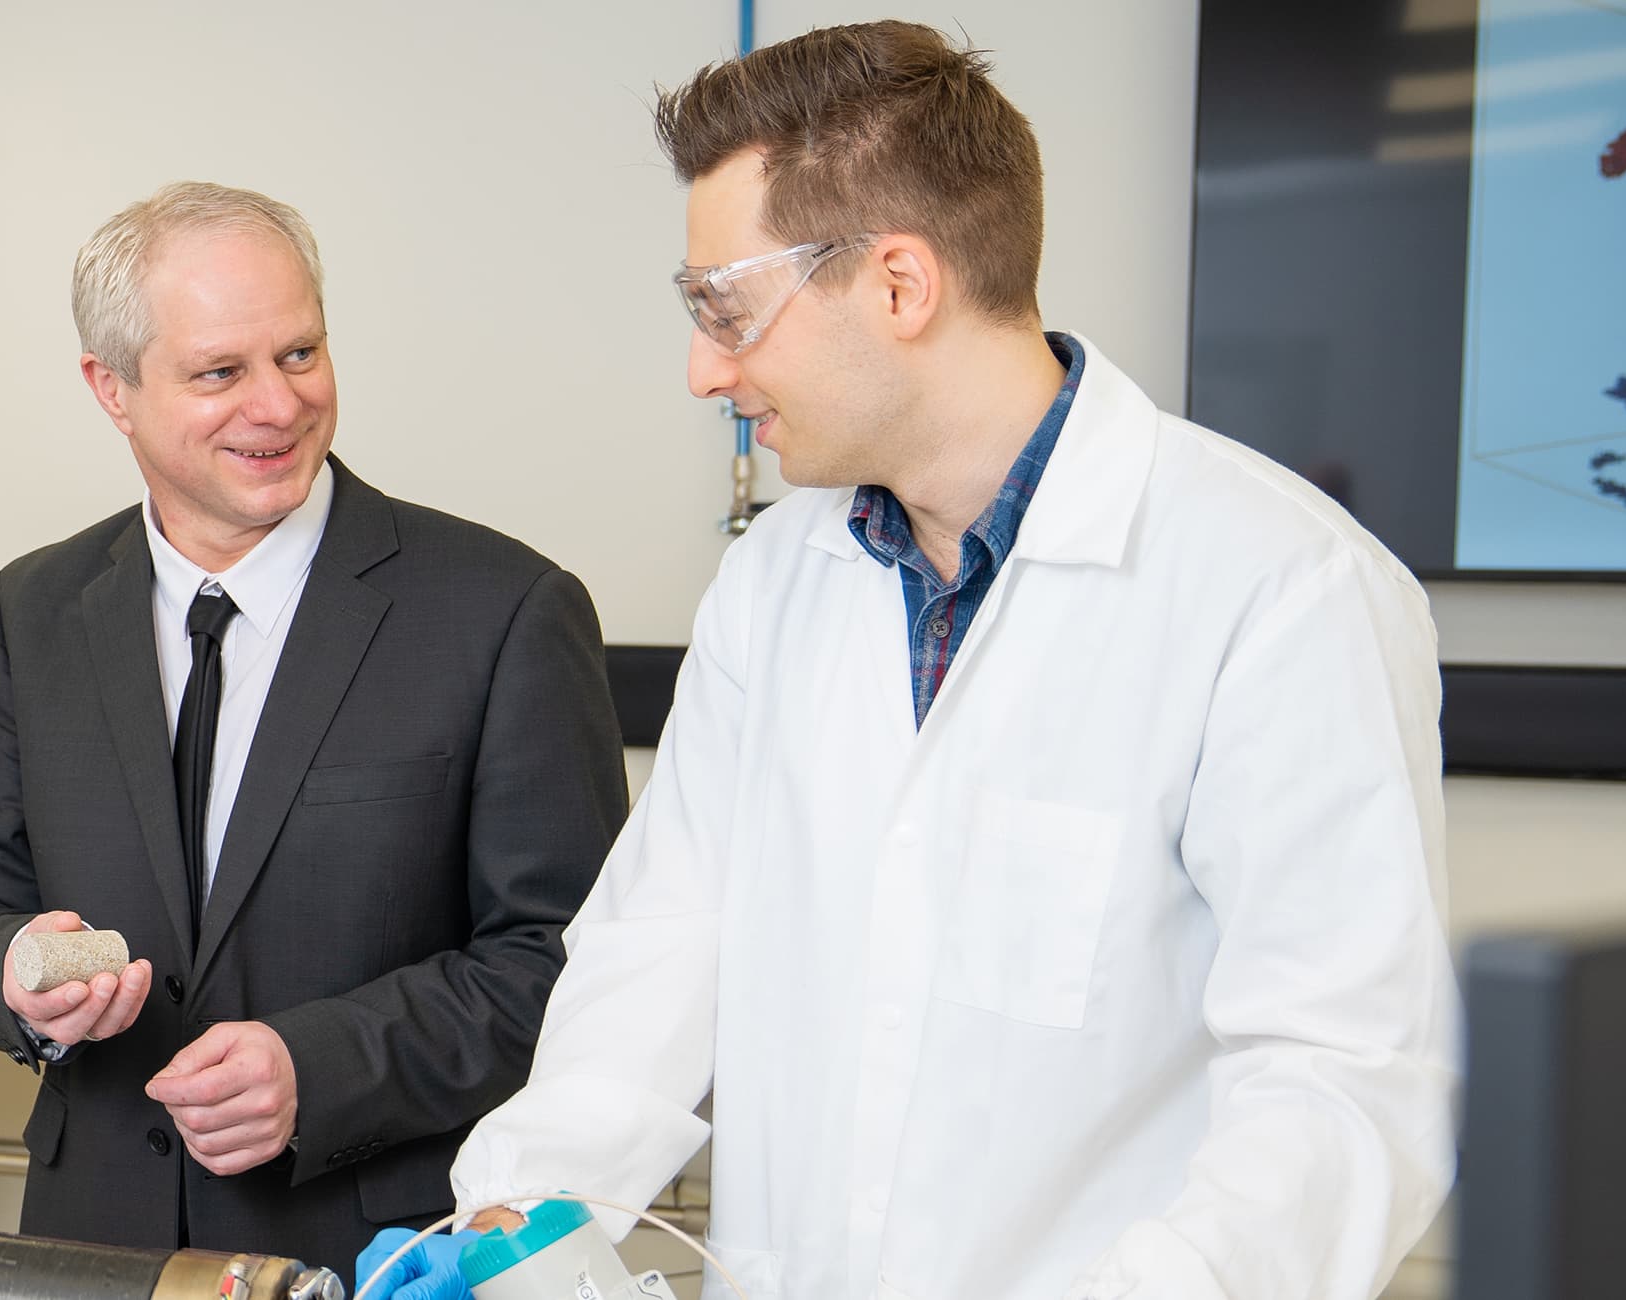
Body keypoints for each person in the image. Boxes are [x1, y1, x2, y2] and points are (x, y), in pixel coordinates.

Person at [360, 23, 1456, 1300]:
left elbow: (1345, 1080)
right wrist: (519, 1209)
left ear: (898, 286)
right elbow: (663, 941)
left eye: (726, 310)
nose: (704, 370)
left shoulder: (1279, 587)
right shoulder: (777, 579)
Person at [0, 181, 631, 1278]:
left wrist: (322, 1067)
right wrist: (13, 976)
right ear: (112, 389)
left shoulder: (504, 612)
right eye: (220, 372)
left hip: (374, 1255)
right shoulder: (34, 609)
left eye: (300, 353)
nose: (278, 404)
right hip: (90, 1250)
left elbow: (569, 965)